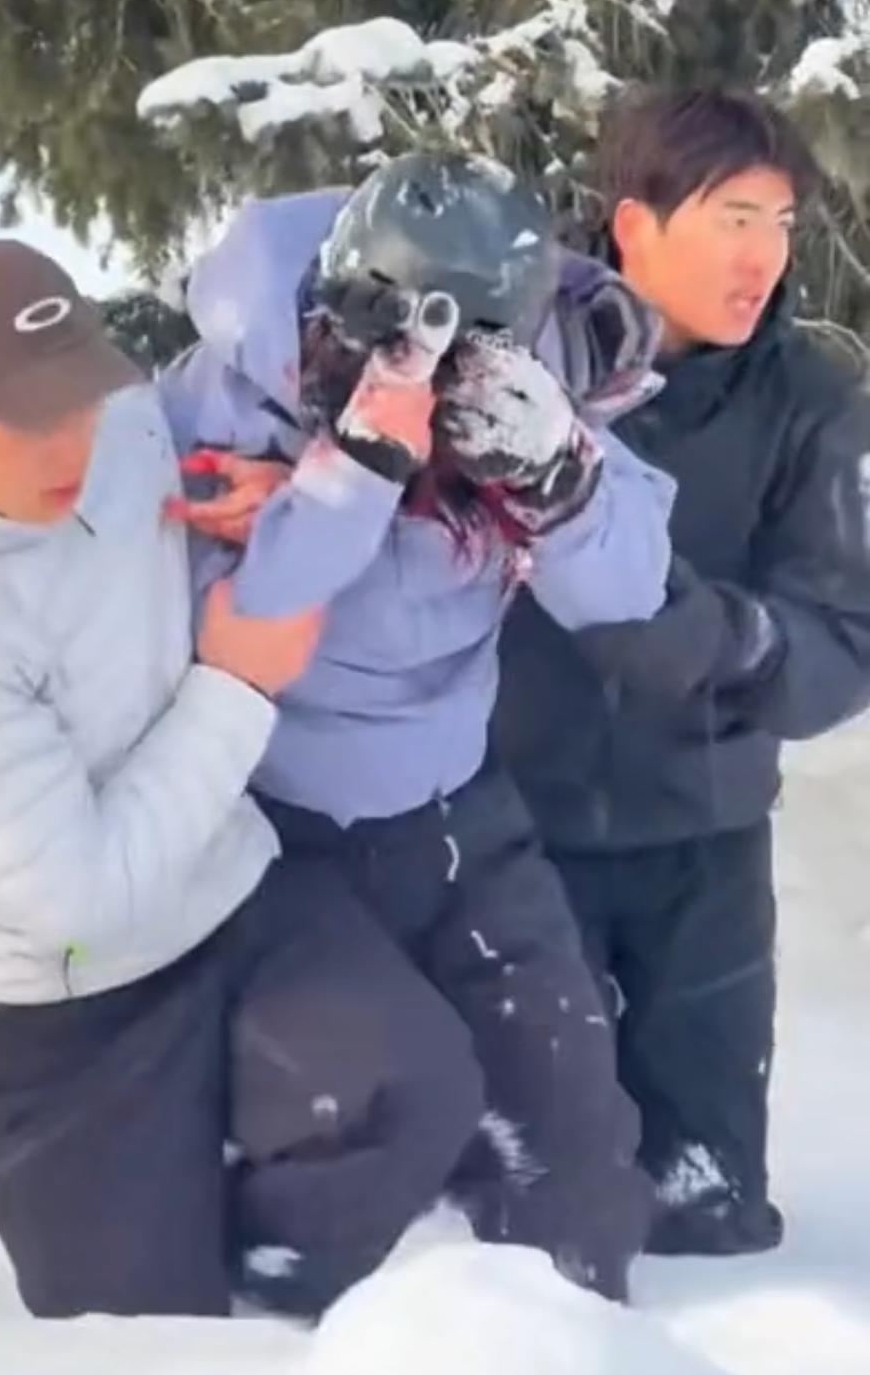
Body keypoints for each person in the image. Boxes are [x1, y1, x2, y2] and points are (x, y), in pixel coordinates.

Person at [0, 238, 488, 1320]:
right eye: (26, 417)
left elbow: (169, 488)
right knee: (143, 1345)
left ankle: (276, 1299)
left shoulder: (119, 421)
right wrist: (237, 682)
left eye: (80, 399)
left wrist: (258, 498)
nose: (73, 440)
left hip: (217, 881)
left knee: (415, 1090)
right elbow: (81, 895)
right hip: (52, 997)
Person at [161, 152, 677, 1303]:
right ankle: (261, 1346)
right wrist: (338, 472)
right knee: (375, 1099)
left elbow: (625, 586)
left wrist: (564, 482)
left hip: (451, 806)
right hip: (267, 820)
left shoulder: (519, 358)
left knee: (575, 1155)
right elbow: (227, 622)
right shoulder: (227, 389)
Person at [495, 88, 870, 1257]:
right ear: (631, 225)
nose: (758, 254)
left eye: (779, 222)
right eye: (728, 215)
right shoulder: (510, 372)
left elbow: (840, 642)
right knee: (524, 1227)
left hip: (699, 857)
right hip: (511, 843)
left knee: (704, 1219)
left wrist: (723, 641)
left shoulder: (808, 403)